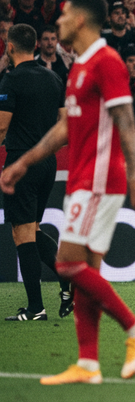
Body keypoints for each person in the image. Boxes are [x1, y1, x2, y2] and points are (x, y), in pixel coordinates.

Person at [0, 0, 135, 383]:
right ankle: (88, 364)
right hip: (82, 177)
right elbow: (66, 126)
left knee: (69, 264)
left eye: (66, 14)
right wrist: (23, 161)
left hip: (102, 178)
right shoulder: (76, 68)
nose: (59, 20)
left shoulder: (107, 61)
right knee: (84, 269)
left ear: (82, 21)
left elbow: (125, 119)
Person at [0, 24, 71, 322]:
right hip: (47, 163)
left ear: (10, 46)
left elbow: (2, 126)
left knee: (22, 233)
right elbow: (66, 126)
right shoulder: (54, 77)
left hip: (21, 162)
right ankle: (70, 281)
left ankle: (35, 308)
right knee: (33, 229)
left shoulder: (11, 80)